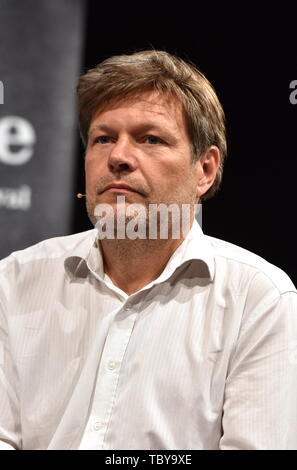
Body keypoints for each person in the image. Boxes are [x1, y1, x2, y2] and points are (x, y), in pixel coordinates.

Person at [0, 49, 296, 451]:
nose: (118, 157)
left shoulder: (259, 299)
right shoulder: (14, 280)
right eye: (104, 138)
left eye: (150, 139)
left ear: (204, 171)